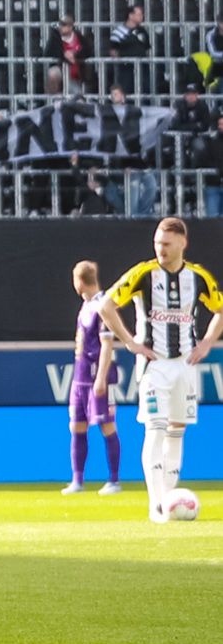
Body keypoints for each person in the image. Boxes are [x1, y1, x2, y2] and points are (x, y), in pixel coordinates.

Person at [102, 216, 220, 519]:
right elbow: (106, 306)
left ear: (183, 243)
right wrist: (130, 342)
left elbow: (220, 308)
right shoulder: (143, 274)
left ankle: (169, 498)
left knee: (176, 432)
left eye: (166, 244)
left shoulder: (197, 277)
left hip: (185, 365)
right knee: (155, 429)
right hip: (154, 366)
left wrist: (207, 342)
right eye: (157, 244)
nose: (161, 250)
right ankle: (157, 504)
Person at [69, 259, 125, 497]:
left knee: (106, 425)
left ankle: (114, 480)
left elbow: (107, 344)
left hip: (95, 376)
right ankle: (77, 480)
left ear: (79, 281)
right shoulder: (87, 306)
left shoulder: (103, 306)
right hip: (80, 377)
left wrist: (101, 378)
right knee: (77, 426)